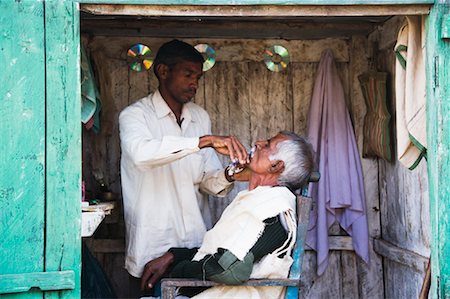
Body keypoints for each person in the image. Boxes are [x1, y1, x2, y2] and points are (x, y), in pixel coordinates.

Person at [119, 39, 249, 298]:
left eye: (198, 77)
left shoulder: (199, 117)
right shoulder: (134, 116)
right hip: (151, 245)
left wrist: (230, 174)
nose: (194, 84)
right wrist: (203, 142)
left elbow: (205, 181)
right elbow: (142, 155)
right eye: (188, 74)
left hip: (193, 246)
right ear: (163, 71)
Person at [141, 131, 315, 298]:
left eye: (267, 145)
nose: (258, 143)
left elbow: (230, 269)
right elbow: (222, 252)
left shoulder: (272, 208)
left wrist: (180, 271)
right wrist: (174, 256)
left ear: (276, 166)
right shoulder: (259, 199)